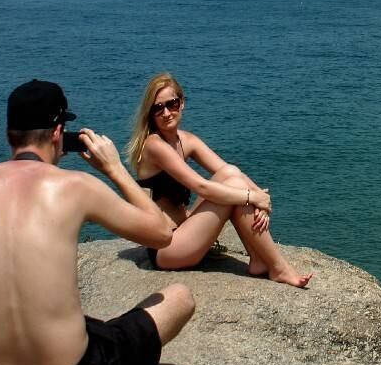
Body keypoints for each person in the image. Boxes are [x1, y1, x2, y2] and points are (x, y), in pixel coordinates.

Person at [0, 79, 195, 365]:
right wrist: (115, 170)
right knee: (180, 297)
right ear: (59, 133)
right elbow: (163, 233)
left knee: (80, 322)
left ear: (8, 137)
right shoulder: (76, 186)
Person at [126, 72, 312, 288]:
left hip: (185, 231)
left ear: (182, 103)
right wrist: (253, 196)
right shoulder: (154, 145)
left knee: (231, 174)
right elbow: (201, 187)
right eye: (158, 108)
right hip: (166, 248)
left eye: (172, 104)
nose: (166, 112)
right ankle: (279, 268)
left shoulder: (187, 140)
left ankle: (259, 258)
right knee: (234, 186)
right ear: (150, 113)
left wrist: (262, 199)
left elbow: (230, 171)